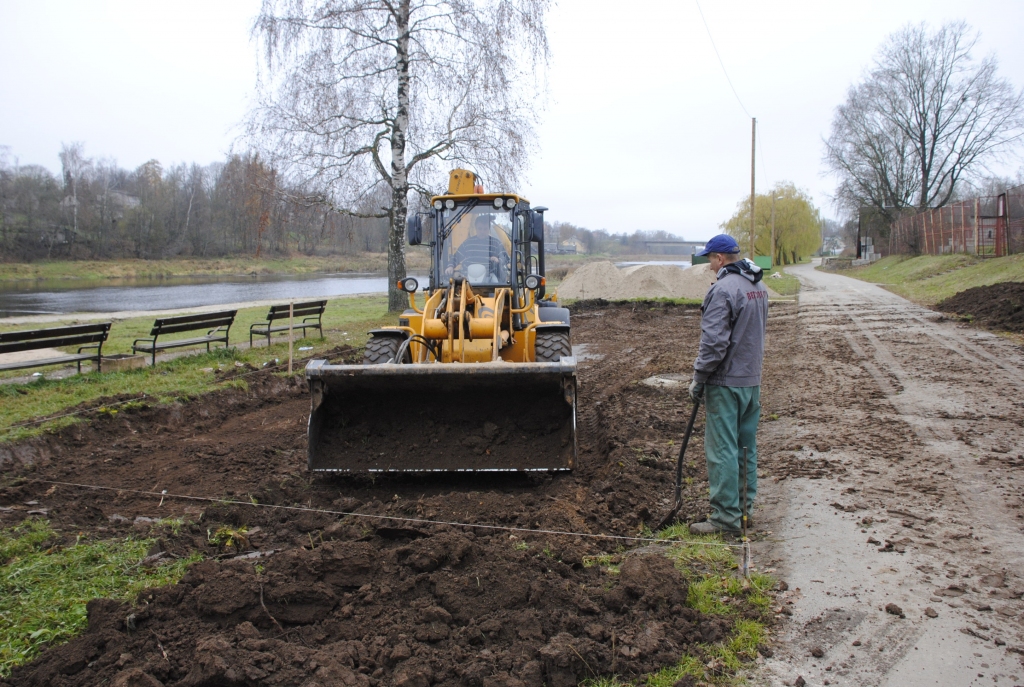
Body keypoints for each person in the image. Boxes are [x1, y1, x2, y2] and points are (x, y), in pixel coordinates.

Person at [688, 234, 769, 536]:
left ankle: (725, 520)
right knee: (745, 448)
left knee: (722, 450)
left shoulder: (722, 290)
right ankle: (744, 513)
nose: (709, 266)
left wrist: (699, 379)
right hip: (751, 382)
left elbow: (713, 345)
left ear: (720, 259)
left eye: (710, 260)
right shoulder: (758, 286)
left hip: (725, 384)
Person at [445, 213, 509, 280]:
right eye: (480, 228)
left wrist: (498, 260)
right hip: (468, 279)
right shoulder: (468, 243)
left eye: (485, 229)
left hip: (488, 279)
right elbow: (456, 256)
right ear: (475, 228)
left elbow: (506, 259)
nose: (482, 231)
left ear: (489, 229)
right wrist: (451, 266)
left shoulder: (496, 243)